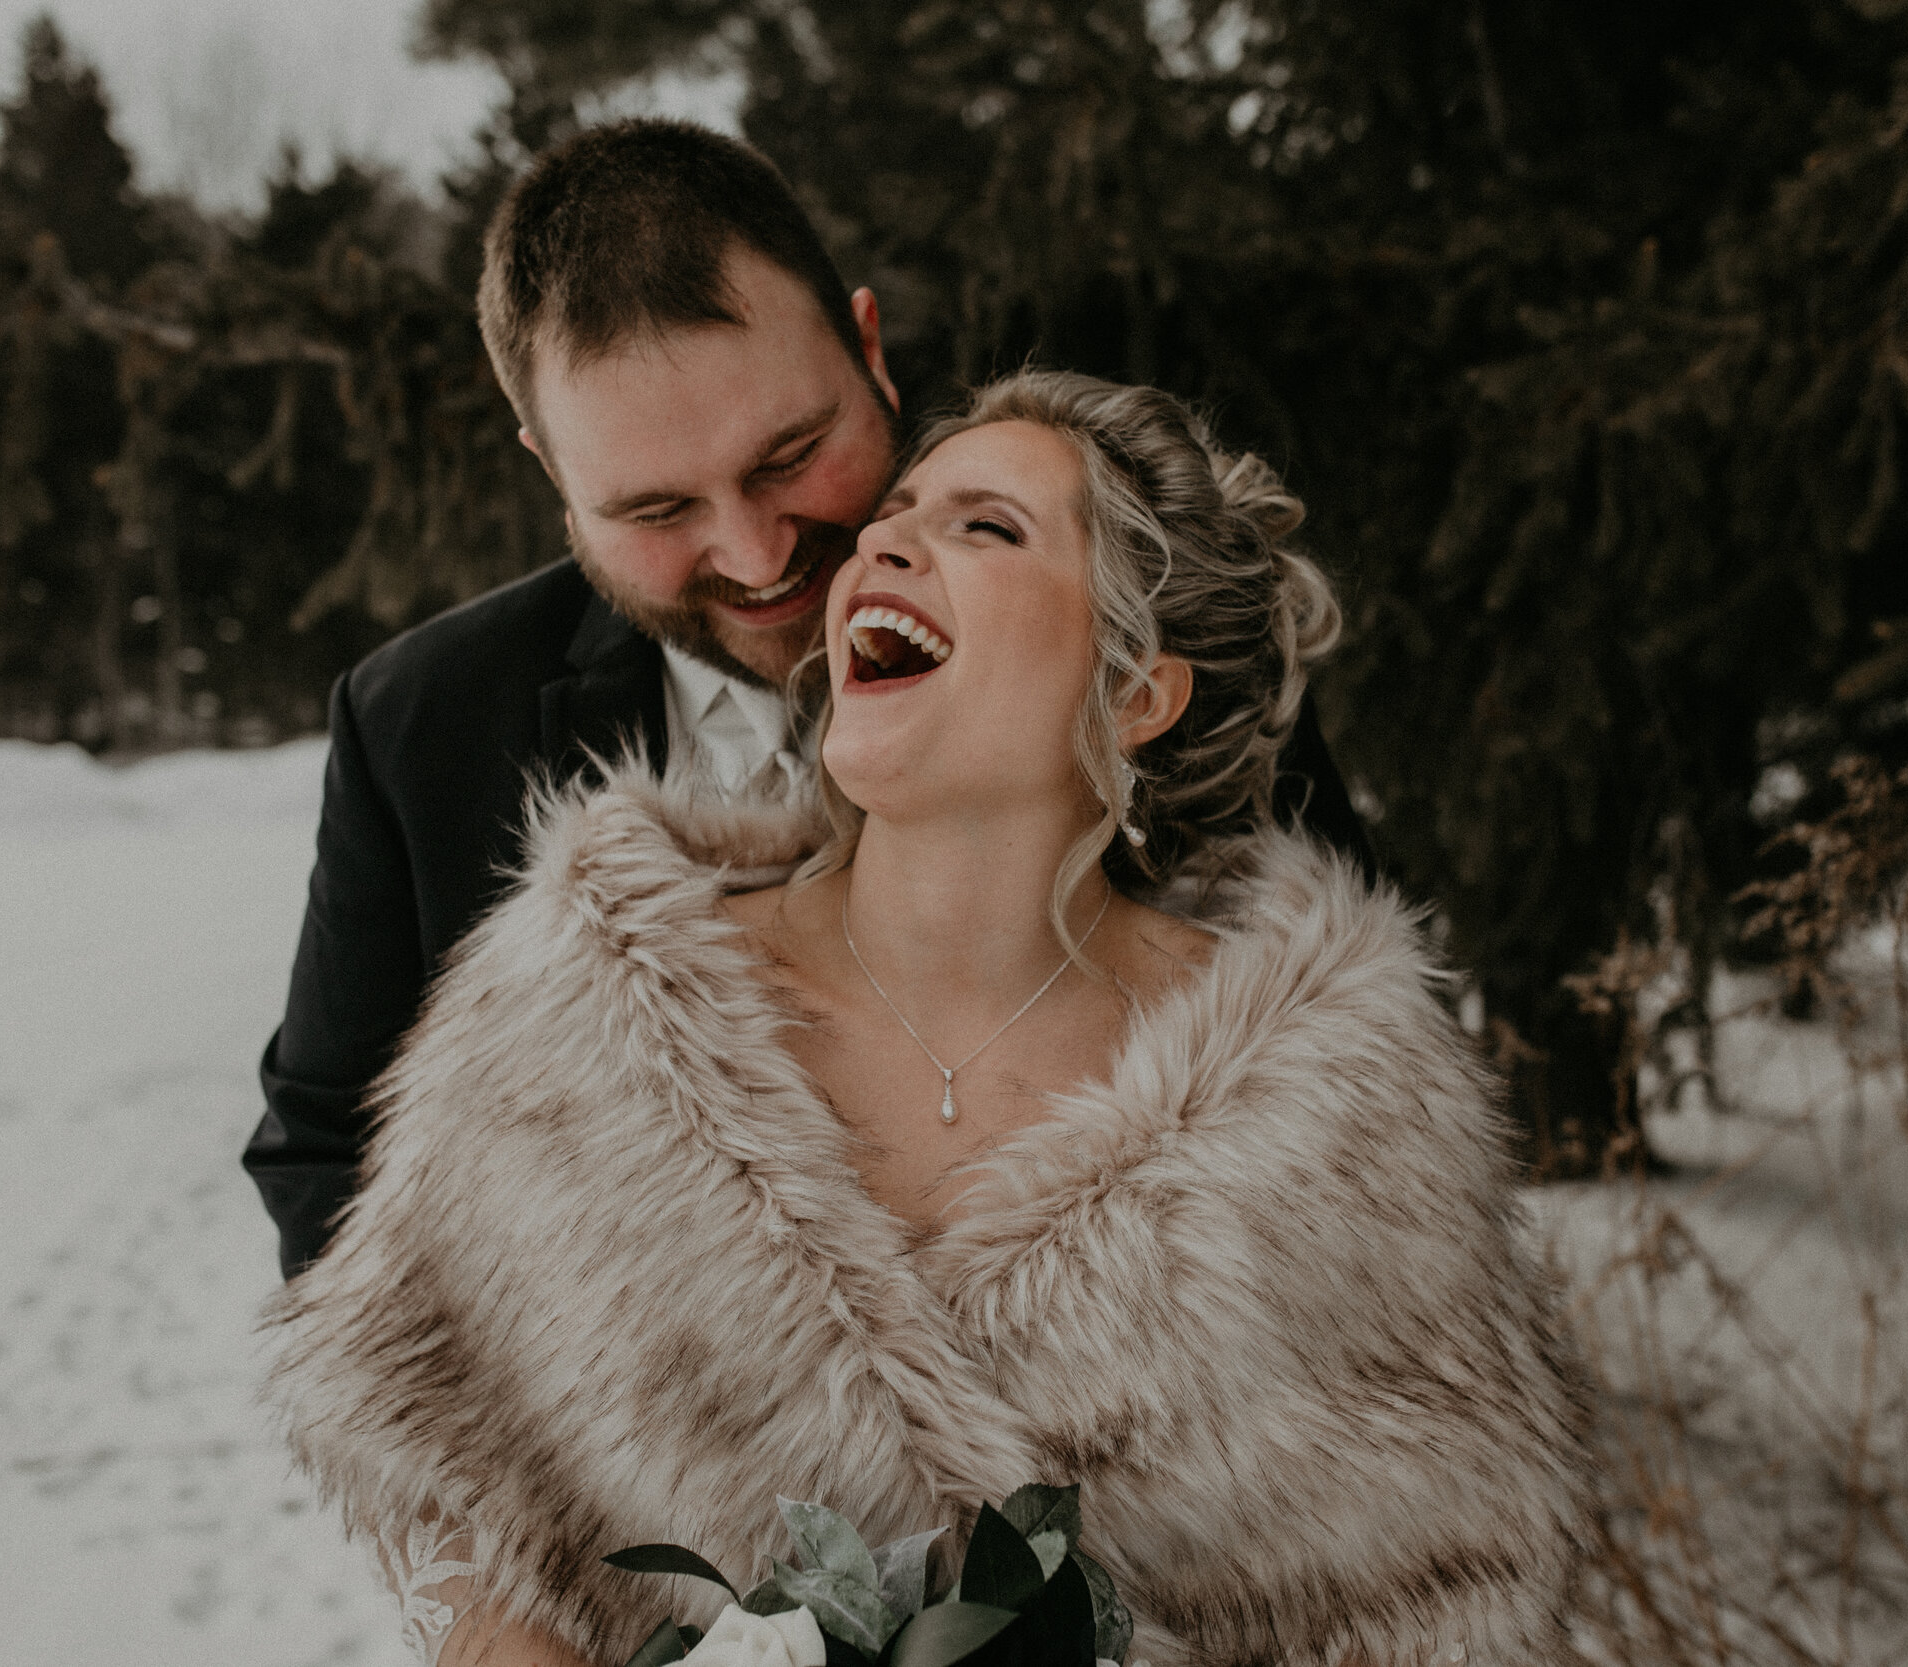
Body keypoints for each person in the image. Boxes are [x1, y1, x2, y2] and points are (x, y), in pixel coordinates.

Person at [264, 372, 1594, 1667]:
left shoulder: (1343, 1117)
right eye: (897, 510)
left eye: (986, 524)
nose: (883, 540)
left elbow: (1449, 1606)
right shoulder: (581, 1007)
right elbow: (427, 1463)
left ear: (1139, 690)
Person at [242, 120, 1372, 1280]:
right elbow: (330, 1158)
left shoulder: (1132, 625)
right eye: (654, 510)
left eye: (789, 455)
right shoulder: (419, 722)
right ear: (552, 473)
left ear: (867, 349)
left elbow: (1358, 1087)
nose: (755, 552)